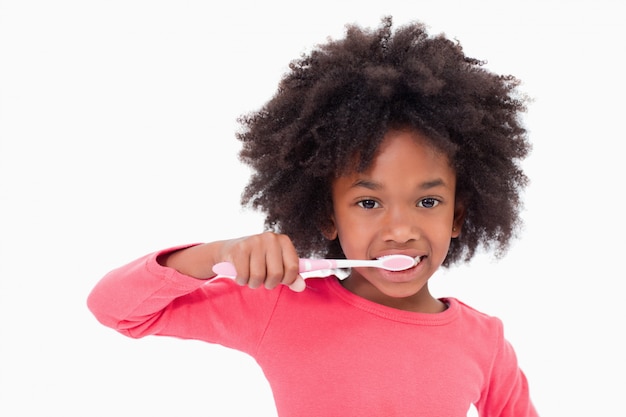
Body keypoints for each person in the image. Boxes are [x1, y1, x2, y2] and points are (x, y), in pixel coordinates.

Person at [88, 16, 538, 416]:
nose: (401, 230)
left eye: (427, 202)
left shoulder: (485, 341)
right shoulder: (279, 304)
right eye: (368, 203)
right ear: (327, 216)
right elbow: (116, 309)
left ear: (458, 216)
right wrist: (218, 254)